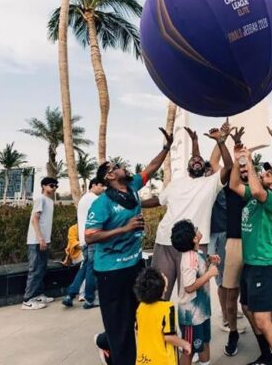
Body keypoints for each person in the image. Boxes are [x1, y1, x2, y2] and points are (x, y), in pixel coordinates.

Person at [85, 128, 171, 365]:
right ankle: (115, 352)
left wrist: (166, 147)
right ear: (110, 176)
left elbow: (151, 169)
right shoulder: (102, 204)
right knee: (120, 328)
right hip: (110, 272)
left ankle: (105, 340)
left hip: (134, 265)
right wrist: (125, 228)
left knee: (137, 316)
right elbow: (90, 237)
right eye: (116, 166)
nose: (121, 166)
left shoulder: (132, 187)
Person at [149, 124, 233, 300]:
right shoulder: (176, 183)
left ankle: (192, 329)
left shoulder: (211, 183)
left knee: (194, 298)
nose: (197, 161)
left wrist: (220, 141)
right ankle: (161, 328)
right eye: (193, 161)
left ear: (204, 167)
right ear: (187, 167)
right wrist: (135, 202)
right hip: (165, 241)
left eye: (200, 161)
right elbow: (158, 200)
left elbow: (228, 167)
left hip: (195, 245)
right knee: (159, 293)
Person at [228, 144, 272, 365]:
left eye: (269, 173)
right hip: (251, 265)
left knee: (264, 321)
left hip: (265, 266)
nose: (264, 173)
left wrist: (249, 160)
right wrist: (239, 161)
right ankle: (266, 355)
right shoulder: (254, 198)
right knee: (247, 309)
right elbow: (234, 184)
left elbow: (256, 189)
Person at [171, 220, 219, 365]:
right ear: (195, 238)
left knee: (204, 342)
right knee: (189, 349)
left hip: (201, 312)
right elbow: (189, 287)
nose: (198, 229)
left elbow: (200, 272)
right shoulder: (189, 259)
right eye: (195, 228)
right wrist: (210, 274)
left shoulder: (196, 253)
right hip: (191, 316)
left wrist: (211, 262)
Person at [133, 267, 191, 365]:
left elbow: (137, 331)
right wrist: (184, 344)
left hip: (143, 359)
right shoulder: (167, 308)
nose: (164, 275)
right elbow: (169, 337)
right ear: (163, 288)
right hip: (163, 361)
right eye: (161, 276)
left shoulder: (141, 307)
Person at [63, 178, 105, 309]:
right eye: (101, 186)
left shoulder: (83, 199)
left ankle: (70, 294)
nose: (103, 189)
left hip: (84, 239)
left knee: (84, 268)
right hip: (92, 239)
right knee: (91, 269)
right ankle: (90, 299)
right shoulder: (94, 199)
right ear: (93, 185)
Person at [21, 177, 58, 310]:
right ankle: (27, 300)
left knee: (41, 268)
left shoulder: (49, 201)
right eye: (51, 185)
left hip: (43, 240)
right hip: (36, 240)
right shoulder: (40, 199)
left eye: (56, 186)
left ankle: (37, 295)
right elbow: (34, 219)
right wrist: (41, 238)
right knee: (35, 269)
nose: (54, 188)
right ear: (43, 186)